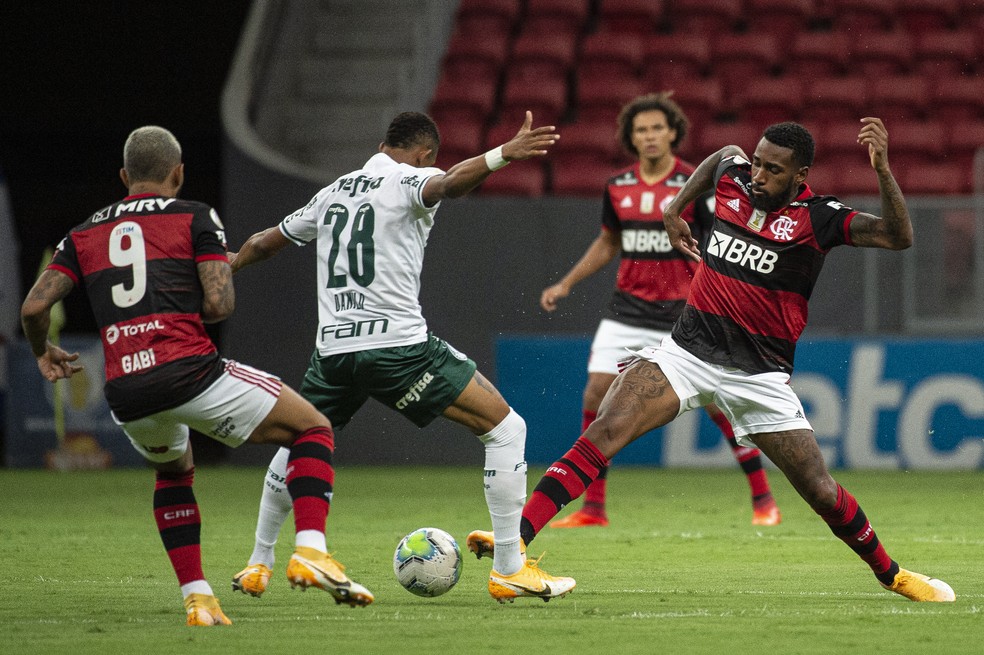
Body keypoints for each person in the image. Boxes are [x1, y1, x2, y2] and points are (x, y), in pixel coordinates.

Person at [467, 118, 956, 602]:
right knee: (603, 432)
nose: (758, 176)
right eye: (758, 164)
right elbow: (723, 153)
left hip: (759, 376)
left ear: (800, 176)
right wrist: (675, 208)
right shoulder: (735, 178)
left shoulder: (821, 217)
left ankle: (892, 575)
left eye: (773, 171)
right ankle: (514, 547)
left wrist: (883, 170)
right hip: (685, 354)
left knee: (820, 489)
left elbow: (898, 236)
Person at [20, 126, 375, 627]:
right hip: (189, 372)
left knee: (173, 473)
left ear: (124, 177)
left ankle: (199, 598)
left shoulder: (81, 234)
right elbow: (219, 303)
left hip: (126, 390)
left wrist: (44, 351)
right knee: (312, 427)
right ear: (178, 172)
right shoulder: (194, 215)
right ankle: (312, 549)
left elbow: (34, 306)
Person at [228, 110, 575, 603]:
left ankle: (258, 563)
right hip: (397, 347)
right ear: (425, 154)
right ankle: (508, 569)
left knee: (302, 440)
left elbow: (265, 243)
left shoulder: (334, 191)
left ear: (380, 143)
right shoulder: (412, 178)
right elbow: (450, 185)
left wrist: (226, 265)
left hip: (333, 352)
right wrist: (501, 155)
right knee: (506, 428)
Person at [539, 92, 780, 529]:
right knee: (596, 394)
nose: (649, 136)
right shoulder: (618, 187)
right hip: (626, 311)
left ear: (672, 133)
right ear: (631, 137)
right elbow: (609, 242)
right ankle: (593, 508)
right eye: (640, 129)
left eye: (656, 128)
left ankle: (763, 499)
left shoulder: (698, 184)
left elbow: (723, 240)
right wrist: (566, 283)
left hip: (683, 314)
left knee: (717, 404)